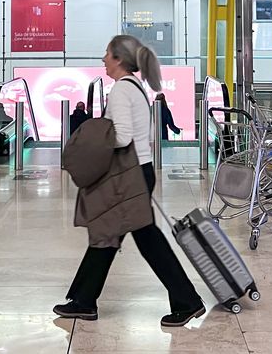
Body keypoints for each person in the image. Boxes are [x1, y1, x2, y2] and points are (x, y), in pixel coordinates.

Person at [55, 35, 205, 327]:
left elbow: (122, 136)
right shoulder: (134, 87)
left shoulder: (122, 90)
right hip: (138, 171)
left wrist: (92, 136)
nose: (103, 60)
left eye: (106, 54)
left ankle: (187, 302)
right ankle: (84, 301)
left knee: (142, 239)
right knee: (108, 235)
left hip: (129, 175)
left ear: (119, 59)